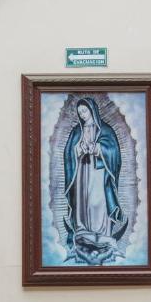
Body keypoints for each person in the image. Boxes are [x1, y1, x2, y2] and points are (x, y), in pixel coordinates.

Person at [62, 97, 127, 265]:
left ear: (92, 110)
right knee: (82, 200)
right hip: (81, 172)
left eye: (85, 111)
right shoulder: (77, 131)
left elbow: (113, 152)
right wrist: (78, 149)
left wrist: (97, 148)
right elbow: (68, 152)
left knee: (97, 201)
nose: (83, 115)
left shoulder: (105, 130)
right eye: (80, 112)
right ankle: (83, 230)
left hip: (99, 172)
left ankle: (102, 233)